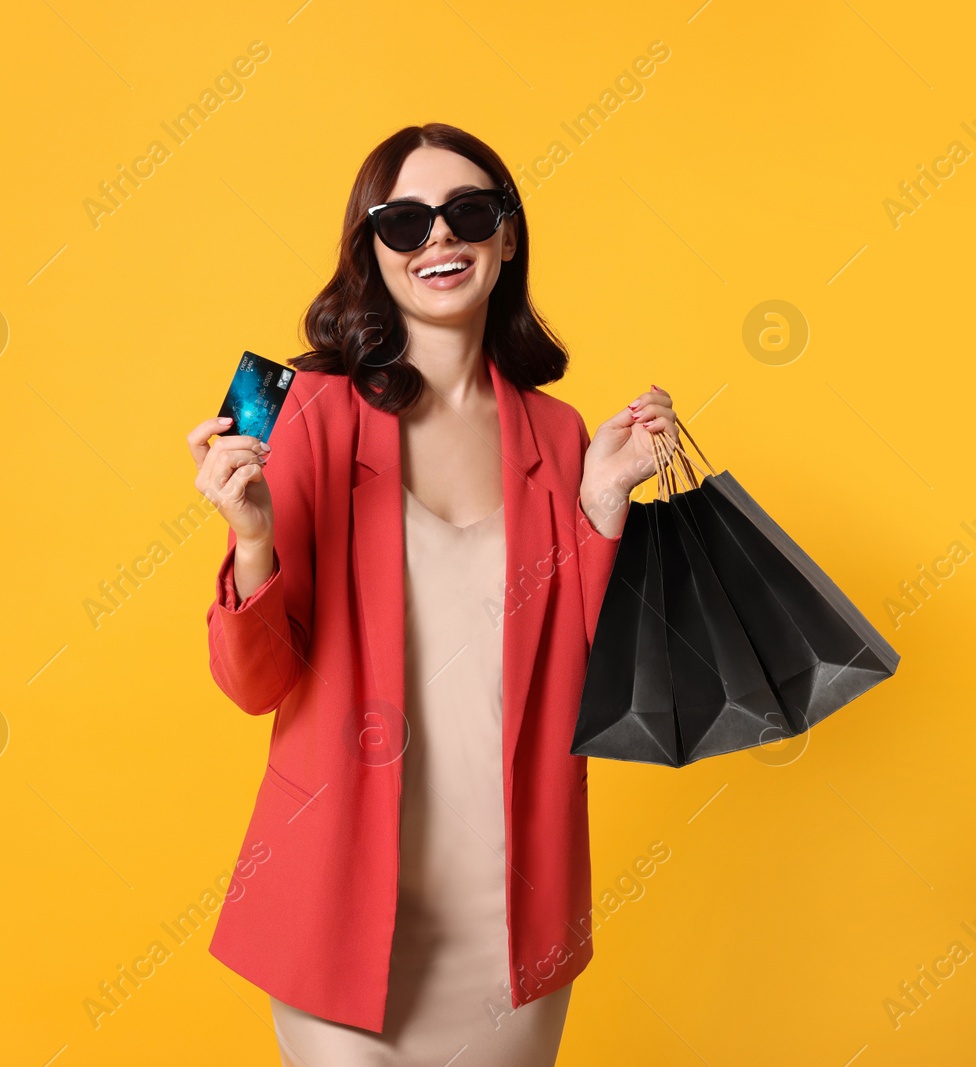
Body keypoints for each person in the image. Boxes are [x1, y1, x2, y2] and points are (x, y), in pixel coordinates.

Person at [185, 123, 681, 1066]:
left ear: (508, 236)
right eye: (405, 221)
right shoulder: (313, 416)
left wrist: (605, 501)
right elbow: (255, 684)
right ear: (371, 251)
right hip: (339, 901)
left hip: (509, 913)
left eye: (469, 213)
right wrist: (252, 539)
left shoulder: (559, 431)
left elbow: (579, 678)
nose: (439, 240)